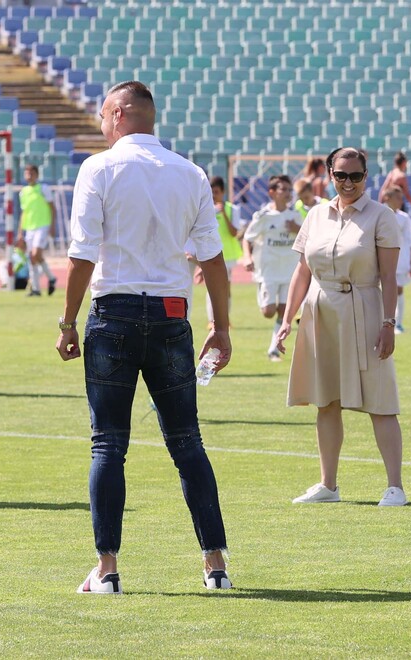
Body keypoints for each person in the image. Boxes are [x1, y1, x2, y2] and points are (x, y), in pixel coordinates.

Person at [56, 81, 233, 594]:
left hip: (113, 311)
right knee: (187, 443)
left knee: (108, 444)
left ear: (118, 113)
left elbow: (83, 253)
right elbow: (213, 260)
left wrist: (68, 321)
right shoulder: (190, 171)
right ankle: (215, 565)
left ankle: (107, 569)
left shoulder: (99, 167)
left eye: (102, 115)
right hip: (172, 313)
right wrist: (221, 328)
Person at [275, 147, 407, 507]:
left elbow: (389, 277)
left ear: (367, 176)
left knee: (380, 400)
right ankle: (328, 485)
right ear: (330, 175)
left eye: (356, 176)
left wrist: (388, 323)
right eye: (341, 175)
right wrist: (287, 320)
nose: (348, 183)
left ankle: (395, 486)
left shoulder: (382, 217)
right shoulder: (316, 214)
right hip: (320, 314)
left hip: (364, 310)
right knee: (326, 400)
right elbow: (302, 271)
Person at [242, 175, 301, 361]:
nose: (288, 193)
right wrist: (247, 256)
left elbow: (307, 237)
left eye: (289, 190)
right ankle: (263, 299)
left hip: (289, 270)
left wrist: (296, 229)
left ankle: (273, 349)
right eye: (283, 189)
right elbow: (247, 238)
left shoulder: (295, 216)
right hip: (268, 271)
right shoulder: (263, 216)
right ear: (272, 193)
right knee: (268, 312)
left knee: (284, 312)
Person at [201, 175, 243, 327]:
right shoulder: (204, 209)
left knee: (226, 288)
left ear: (223, 192)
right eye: (211, 192)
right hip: (209, 253)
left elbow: (234, 232)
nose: (213, 196)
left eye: (216, 192)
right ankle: (211, 320)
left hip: (228, 255)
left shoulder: (233, 209)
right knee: (210, 286)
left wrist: (223, 212)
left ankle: (225, 318)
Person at [381, 185, 411, 334]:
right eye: (397, 198)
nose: (400, 201)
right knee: (379, 291)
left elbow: (410, 240)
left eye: (401, 198)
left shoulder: (404, 217)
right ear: (387, 198)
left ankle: (398, 322)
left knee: (398, 290)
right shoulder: (379, 214)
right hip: (381, 260)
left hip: (400, 260)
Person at [17, 163, 57, 297]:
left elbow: (52, 207)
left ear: (37, 175)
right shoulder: (23, 192)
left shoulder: (43, 188)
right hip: (29, 228)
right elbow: (23, 213)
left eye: (31, 173)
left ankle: (44, 283)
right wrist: (20, 233)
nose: (29, 176)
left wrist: (52, 226)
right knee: (33, 258)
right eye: (27, 173)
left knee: (35, 254)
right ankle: (39, 287)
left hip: (43, 225)